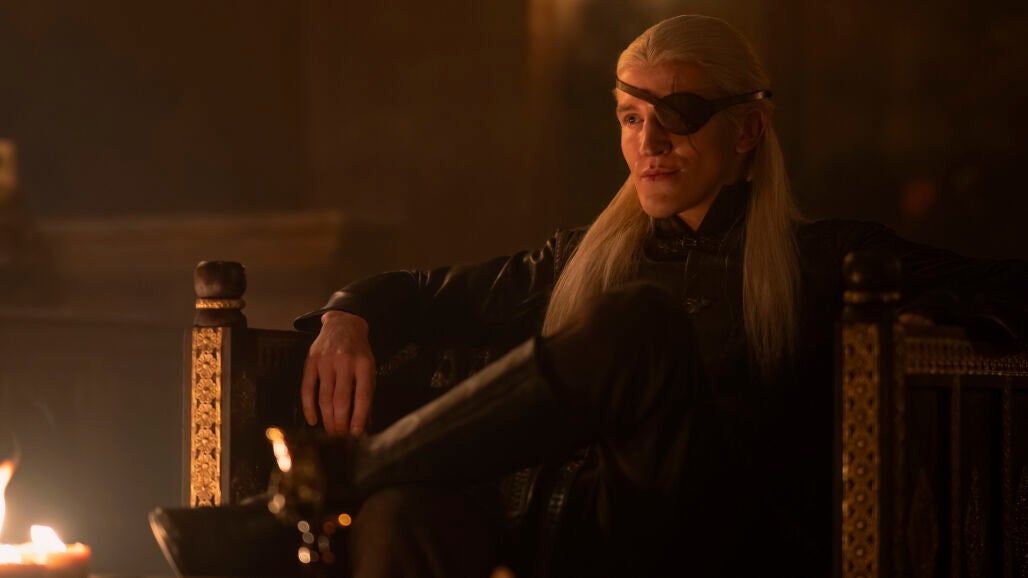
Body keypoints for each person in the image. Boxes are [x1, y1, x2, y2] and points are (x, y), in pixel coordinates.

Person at [293, 14, 1027, 578]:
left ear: (748, 128)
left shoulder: (828, 261)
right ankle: (361, 484)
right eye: (632, 117)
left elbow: (1005, 289)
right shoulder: (576, 259)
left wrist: (935, 326)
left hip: (729, 548)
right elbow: (420, 294)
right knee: (400, 512)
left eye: (679, 115)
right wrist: (346, 316)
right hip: (584, 546)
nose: (650, 143)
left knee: (641, 323)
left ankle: (339, 481)